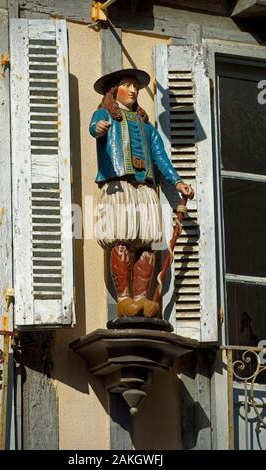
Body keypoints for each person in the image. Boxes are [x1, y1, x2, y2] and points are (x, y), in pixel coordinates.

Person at [89, 68, 194, 318]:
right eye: (127, 85)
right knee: (121, 239)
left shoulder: (146, 125)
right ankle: (124, 298)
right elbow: (94, 127)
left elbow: (160, 157)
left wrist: (177, 182)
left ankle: (141, 298)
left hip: (145, 188)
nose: (134, 90)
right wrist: (99, 127)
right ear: (114, 90)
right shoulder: (106, 113)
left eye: (135, 86)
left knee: (148, 244)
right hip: (119, 187)